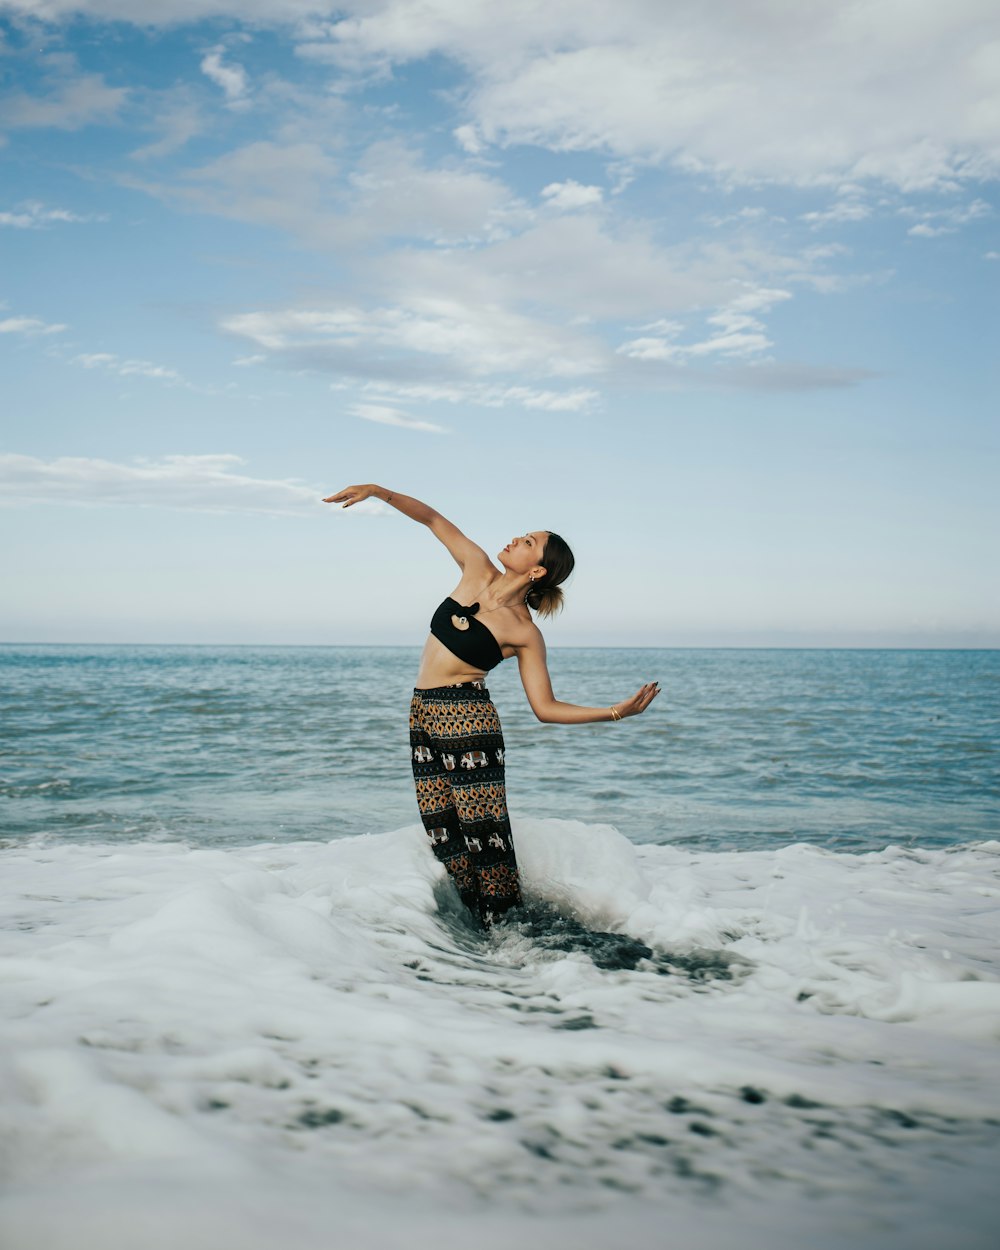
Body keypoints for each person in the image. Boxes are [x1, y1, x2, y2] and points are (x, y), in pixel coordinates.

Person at [322, 484, 661, 931]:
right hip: (422, 711)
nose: (515, 539)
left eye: (527, 542)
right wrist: (378, 492)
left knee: (486, 838)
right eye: (521, 534)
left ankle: (515, 933)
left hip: (468, 720)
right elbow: (432, 518)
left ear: (538, 570)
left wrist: (616, 712)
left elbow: (546, 707)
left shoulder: (524, 631)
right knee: (441, 829)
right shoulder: (475, 568)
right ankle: (475, 929)